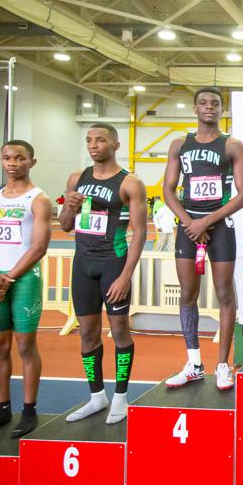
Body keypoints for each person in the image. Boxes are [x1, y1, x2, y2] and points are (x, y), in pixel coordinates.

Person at [58, 124, 147, 424]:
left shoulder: (129, 183)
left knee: (120, 331)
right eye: (89, 140)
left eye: (100, 140)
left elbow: (140, 233)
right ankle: (97, 396)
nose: (93, 145)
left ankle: (121, 397)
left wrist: (125, 276)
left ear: (115, 145)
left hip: (113, 264)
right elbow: (66, 225)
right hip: (83, 264)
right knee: (87, 333)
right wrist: (68, 208)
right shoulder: (76, 178)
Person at [162, 87, 243, 390]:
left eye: (215, 103)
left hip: (220, 226)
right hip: (189, 229)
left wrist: (207, 222)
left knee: (225, 294)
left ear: (221, 110)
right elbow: (168, 190)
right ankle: (194, 363)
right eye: (203, 103)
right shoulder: (179, 144)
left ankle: (223, 365)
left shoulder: (232, 145)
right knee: (188, 294)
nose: (209, 107)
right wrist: (190, 224)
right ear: (195, 108)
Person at [0, 140, 51, 439]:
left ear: (32, 162)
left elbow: (39, 246)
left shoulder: (38, 200)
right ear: (1, 160)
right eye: (6, 158)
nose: (12, 163)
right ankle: (2, 410)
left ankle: (29, 410)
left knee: (26, 346)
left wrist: (9, 278)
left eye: (19, 158)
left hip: (24, 279)